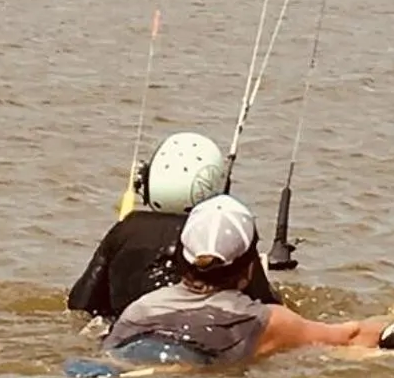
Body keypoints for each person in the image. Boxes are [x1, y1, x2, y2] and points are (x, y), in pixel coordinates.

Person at [100, 195, 394, 367]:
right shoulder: (263, 322)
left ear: (181, 262)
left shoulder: (138, 310)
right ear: (251, 268)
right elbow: (348, 336)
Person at [66, 132, 279, 320]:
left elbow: (81, 304)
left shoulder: (126, 228)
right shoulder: (221, 237)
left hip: (126, 332)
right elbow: (270, 308)